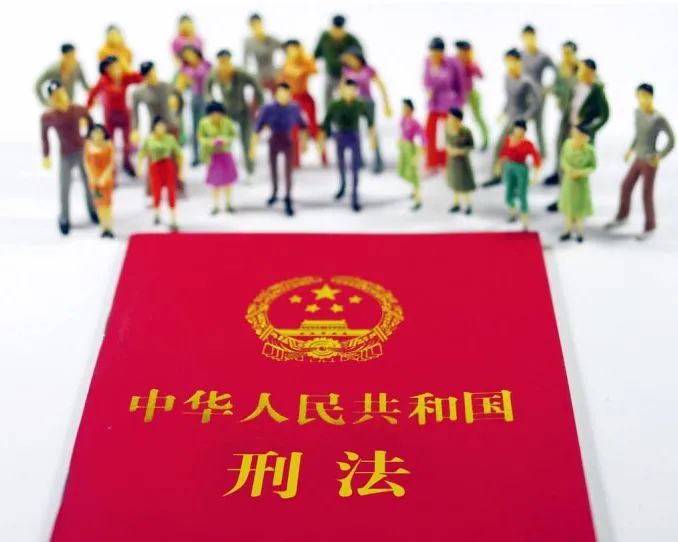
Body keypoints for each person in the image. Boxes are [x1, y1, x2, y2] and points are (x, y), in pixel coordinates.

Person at [606, 83, 674, 240]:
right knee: (626, 186)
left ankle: (650, 226)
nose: (642, 99)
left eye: (645, 96)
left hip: (650, 161)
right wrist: (631, 149)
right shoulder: (637, 113)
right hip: (638, 158)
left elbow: (672, 140)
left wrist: (660, 155)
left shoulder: (658, 118)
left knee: (646, 194)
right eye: (639, 96)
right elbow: (638, 135)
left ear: (651, 97)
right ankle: (622, 216)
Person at [546, 58, 609, 211]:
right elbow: (568, 100)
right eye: (580, 70)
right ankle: (563, 198)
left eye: (584, 71)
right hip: (567, 127)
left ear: (592, 73)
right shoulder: (575, 84)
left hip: (582, 134)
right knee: (564, 163)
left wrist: (590, 128)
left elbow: (604, 115)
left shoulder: (597, 91)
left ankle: (577, 204)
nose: (580, 73)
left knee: (578, 170)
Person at [40, 81, 97, 235]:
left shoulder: (76, 109)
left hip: (81, 151)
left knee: (88, 182)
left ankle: (93, 210)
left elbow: (90, 119)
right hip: (65, 155)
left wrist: (90, 137)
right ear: (51, 99)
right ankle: (64, 217)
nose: (59, 98)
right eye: (55, 96)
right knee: (64, 187)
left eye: (60, 93)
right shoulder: (48, 116)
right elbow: (44, 137)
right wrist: (46, 155)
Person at [482, 49, 540, 187]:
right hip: (510, 117)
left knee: (506, 147)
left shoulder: (526, 82)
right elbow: (509, 99)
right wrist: (503, 112)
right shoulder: (507, 78)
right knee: (505, 147)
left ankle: (503, 175)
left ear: (519, 62)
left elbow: (536, 103)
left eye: (513, 61)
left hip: (518, 120)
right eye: (508, 62)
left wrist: (525, 118)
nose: (510, 65)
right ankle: (499, 173)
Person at [251, 83, 308, 216]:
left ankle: (288, 196)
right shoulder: (268, 108)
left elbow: (302, 125)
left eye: (286, 94)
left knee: (288, 171)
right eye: (281, 93)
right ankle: (275, 192)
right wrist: (253, 147)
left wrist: (304, 143)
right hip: (274, 140)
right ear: (276, 94)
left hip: (287, 140)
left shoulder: (294, 108)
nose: (284, 96)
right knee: (273, 168)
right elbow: (258, 127)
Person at [318, 79, 376, 212]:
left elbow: (370, 121)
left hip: (354, 137)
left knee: (355, 167)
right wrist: (321, 142)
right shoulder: (335, 105)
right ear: (342, 90)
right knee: (341, 164)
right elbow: (326, 122)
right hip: (340, 136)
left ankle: (354, 194)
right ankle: (343, 185)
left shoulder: (359, 104)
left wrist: (372, 139)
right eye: (348, 89)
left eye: (353, 90)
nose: (350, 93)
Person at [205, 49, 263, 178]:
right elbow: (207, 88)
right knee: (224, 142)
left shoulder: (240, 73)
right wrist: (212, 103)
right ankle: (226, 171)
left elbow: (255, 82)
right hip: (226, 113)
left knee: (247, 141)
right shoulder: (215, 74)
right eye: (221, 61)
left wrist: (258, 102)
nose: (224, 64)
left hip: (243, 111)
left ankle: (250, 170)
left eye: (226, 61)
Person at [87, 55, 143, 177]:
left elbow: (139, 78)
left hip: (125, 116)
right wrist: (87, 108)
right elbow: (92, 93)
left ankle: (127, 163)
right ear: (107, 69)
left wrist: (127, 68)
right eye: (112, 68)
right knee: (109, 143)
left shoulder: (125, 77)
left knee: (127, 143)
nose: (116, 70)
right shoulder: (103, 80)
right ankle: (111, 167)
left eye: (117, 67)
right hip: (110, 117)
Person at [341, 46, 392, 173]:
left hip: (368, 103)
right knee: (355, 132)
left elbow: (381, 86)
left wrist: (386, 103)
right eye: (349, 59)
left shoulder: (368, 70)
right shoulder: (347, 70)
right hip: (354, 105)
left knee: (372, 131)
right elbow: (343, 87)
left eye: (352, 59)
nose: (351, 62)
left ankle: (377, 160)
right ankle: (358, 159)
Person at [278, 39, 326, 167]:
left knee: (314, 127)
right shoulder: (286, 64)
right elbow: (284, 78)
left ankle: (323, 157)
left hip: (305, 97)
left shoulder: (305, 60)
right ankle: (295, 161)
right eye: (290, 50)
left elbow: (314, 70)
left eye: (295, 49)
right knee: (293, 130)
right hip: (292, 99)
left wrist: (302, 67)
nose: (292, 52)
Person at [423, 37, 466, 173]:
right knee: (429, 133)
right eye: (432, 52)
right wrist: (429, 89)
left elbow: (461, 85)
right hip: (434, 103)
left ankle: (448, 162)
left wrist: (461, 104)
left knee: (450, 134)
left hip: (450, 103)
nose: (435, 56)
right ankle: (431, 162)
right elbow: (425, 80)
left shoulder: (453, 63)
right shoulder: (428, 62)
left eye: (437, 53)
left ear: (443, 52)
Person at [543, 40, 579, 186]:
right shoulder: (560, 68)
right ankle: (558, 171)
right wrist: (553, 92)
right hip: (565, 112)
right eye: (563, 53)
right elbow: (557, 85)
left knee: (573, 145)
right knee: (560, 142)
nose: (565, 56)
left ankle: (570, 175)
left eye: (568, 53)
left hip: (577, 115)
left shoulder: (581, 69)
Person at [137, 117, 183, 231]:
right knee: (156, 191)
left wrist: (181, 171)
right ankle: (157, 214)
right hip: (155, 167)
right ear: (154, 127)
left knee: (171, 192)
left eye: (162, 126)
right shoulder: (149, 139)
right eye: (158, 126)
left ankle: (173, 219)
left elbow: (179, 155)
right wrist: (139, 167)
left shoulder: (170, 139)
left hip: (168, 167)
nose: (161, 128)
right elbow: (141, 154)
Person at [495, 119, 541, 230]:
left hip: (521, 169)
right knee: (509, 193)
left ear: (524, 131)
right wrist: (499, 165)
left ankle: (525, 220)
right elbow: (504, 152)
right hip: (509, 168)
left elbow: (536, 157)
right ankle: (513, 212)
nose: (518, 131)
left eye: (521, 129)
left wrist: (535, 173)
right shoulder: (508, 140)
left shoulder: (527, 143)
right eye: (516, 129)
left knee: (522, 194)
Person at [520, 24, 556, 157]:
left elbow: (557, 71)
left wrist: (549, 88)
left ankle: (543, 153)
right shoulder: (520, 55)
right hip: (523, 95)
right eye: (526, 38)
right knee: (520, 124)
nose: (529, 40)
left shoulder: (542, 56)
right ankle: (518, 152)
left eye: (531, 37)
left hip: (538, 95)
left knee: (538, 126)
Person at [558, 124, 597, 243]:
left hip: (581, 184)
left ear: (586, 138)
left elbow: (593, 166)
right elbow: (563, 159)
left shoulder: (590, 150)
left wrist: (581, 172)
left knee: (580, 212)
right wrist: (569, 170)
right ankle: (567, 231)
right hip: (569, 182)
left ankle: (580, 233)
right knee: (569, 211)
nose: (578, 138)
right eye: (577, 134)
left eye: (582, 136)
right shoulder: (567, 144)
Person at [313, 14, 363, 108]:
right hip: (330, 73)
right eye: (335, 29)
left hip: (347, 75)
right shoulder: (325, 37)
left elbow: (360, 56)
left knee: (347, 97)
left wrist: (350, 59)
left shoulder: (351, 39)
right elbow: (316, 54)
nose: (337, 32)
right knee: (328, 95)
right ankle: (329, 113)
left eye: (340, 30)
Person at [198, 101, 238, 215]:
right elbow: (200, 137)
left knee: (228, 181)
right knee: (215, 182)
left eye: (218, 113)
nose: (215, 116)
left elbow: (233, 135)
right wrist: (210, 142)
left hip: (225, 154)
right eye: (212, 114)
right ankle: (215, 205)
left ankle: (228, 203)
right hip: (213, 155)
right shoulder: (204, 123)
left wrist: (225, 139)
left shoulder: (227, 122)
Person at [176, 46, 212, 166]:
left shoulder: (206, 64)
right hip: (195, 98)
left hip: (207, 97)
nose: (189, 57)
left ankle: (209, 154)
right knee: (196, 128)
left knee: (208, 128)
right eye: (186, 55)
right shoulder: (184, 68)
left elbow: (209, 77)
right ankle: (196, 156)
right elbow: (181, 83)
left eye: (190, 54)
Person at [455, 40, 489, 151]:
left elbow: (481, 75)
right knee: (457, 118)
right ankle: (458, 141)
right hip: (459, 94)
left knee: (477, 117)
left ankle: (486, 140)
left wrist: (472, 65)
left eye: (464, 51)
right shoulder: (455, 62)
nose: (462, 54)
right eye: (460, 51)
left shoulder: (471, 63)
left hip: (471, 93)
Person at [84, 124, 116, 238]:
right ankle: (103, 227)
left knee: (107, 204)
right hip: (95, 182)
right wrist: (92, 176)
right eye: (95, 132)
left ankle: (109, 226)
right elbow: (87, 163)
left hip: (106, 180)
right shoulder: (88, 146)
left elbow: (111, 162)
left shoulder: (108, 145)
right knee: (100, 205)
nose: (97, 135)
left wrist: (105, 176)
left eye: (99, 132)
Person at [397, 99, 427, 211]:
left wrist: (420, 153)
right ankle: (415, 190)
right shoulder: (403, 119)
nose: (404, 110)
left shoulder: (415, 122)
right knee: (401, 171)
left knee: (413, 174)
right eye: (403, 108)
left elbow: (423, 137)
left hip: (410, 148)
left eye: (406, 108)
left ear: (411, 109)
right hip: (403, 146)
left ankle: (418, 198)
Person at [445, 108, 476, 215]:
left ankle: (468, 205)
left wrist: (460, 151)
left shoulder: (466, 132)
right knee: (455, 185)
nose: (450, 121)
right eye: (449, 118)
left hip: (463, 164)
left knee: (464, 186)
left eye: (453, 119)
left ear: (459, 120)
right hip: (452, 163)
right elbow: (446, 143)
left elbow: (471, 147)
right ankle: (456, 204)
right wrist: (449, 150)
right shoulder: (447, 130)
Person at [244, 13, 282, 94]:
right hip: (260, 76)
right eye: (253, 25)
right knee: (257, 98)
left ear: (262, 24)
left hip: (273, 75)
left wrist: (281, 69)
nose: (256, 27)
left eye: (258, 24)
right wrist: (249, 76)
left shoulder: (271, 39)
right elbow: (245, 62)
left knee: (279, 96)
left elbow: (286, 49)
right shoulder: (249, 42)